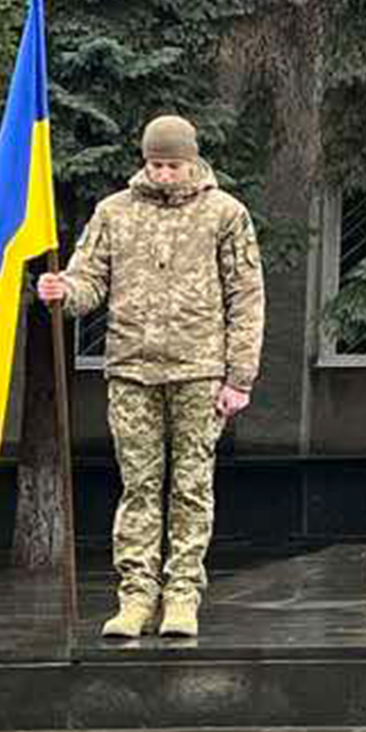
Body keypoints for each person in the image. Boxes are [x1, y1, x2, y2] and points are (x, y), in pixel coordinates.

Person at [34, 115, 263, 644]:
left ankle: (182, 594)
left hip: (199, 371)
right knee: (138, 486)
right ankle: (136, 596)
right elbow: (90, 278)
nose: (163, 174)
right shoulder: (114, 212)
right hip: (132, 370)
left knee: (191, 486)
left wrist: (239, 377)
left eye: (172, 165)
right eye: (155, 164)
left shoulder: (225, 214)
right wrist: (64, 290)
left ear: (192, 161)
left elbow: (246, 297)